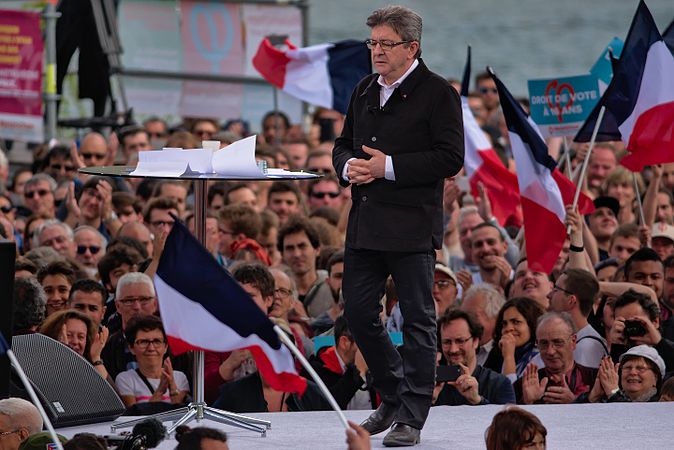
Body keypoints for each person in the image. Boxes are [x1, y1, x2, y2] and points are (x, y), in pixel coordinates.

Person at [332, 5, 463, 446]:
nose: (376, 51)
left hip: (410, 226)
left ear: (412, 47)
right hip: (365, 224)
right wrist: (347, 164)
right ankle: (392, 393)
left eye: (386, 44)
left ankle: (412, 415)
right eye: (373, 43)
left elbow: (451, 158)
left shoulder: (438, 93)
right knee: (358, 313)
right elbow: (342, 143)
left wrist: (389, 167)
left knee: (418, 321)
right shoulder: (365, 88)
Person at [434, 309, 514, 406]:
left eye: (460, 341)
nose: (453, 349)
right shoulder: (433, 385)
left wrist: (477, 400)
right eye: (447, 342)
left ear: (475, 341)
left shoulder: (499, 384)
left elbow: (508, 420)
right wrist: (429, 402)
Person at [515, 312, 597, 404]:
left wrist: (575, 402)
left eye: (558, 342)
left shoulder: (595, 380)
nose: (550, 351)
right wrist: (528, 403)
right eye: (543, 343)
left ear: (573, 342)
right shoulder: (522, 386)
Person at [115, 314, 189, 407]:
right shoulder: (125, 379)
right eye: (143, 342)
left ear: (165, 347)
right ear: (131, 348)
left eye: (157, 341)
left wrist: (173, 387)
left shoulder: (179, 378)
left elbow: (180, 412)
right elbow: (134, 416)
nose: (151, 348)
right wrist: (160, 391)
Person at [483, 297, 545, 383]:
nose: (508, 328)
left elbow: (510, 393)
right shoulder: (496, 354)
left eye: (516, 322)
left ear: (532, 324)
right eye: (504, 324)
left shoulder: (541, 357)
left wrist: (509, 357)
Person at [588, 345, 665, 403]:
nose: (632, 372)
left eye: (640, 368)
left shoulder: (661, 403)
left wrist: (613, 393)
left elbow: (632, 419)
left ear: (655, 378)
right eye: (627, 367)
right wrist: (593, 398)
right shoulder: (607, 401)